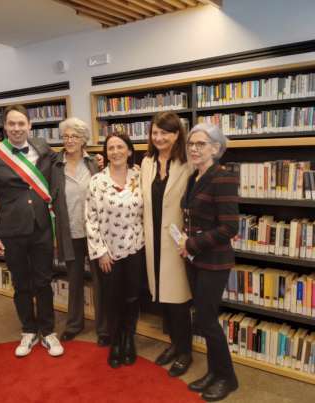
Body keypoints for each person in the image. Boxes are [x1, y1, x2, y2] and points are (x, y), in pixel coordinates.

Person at [0, 104, 64, 358]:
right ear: (4, 127)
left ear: (30, 125)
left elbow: (65, 160)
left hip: (41, 227)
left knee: (43, 281)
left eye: (21, 123)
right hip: (12, 231)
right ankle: (28, 330)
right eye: (11, 124)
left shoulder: (42, 148)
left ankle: (48, 331)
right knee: (21, 284)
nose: (16, 128)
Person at [179, 123, 239, 401]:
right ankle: (214, 372)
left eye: (200, 144)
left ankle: (227, 377)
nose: (193, 148)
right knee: (204, 319)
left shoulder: (222, 177)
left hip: (214, 262)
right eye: (191, 143)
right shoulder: (195, 176)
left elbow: (229, 228)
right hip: (195, 260)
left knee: (207, 320)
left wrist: (191, 243)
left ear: (215, 148)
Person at [140, 111, 193, 377]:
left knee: (179, 299)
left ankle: (185, 351)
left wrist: (190, 238)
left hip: (177, 242)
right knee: (161, 294)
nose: (159, 137)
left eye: (165, 133)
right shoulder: (147, 162)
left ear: (177, 135)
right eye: (155, 132)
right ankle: (174, 344)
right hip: (153, 239)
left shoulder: (188, 163)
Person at [85, 133, 144, 368]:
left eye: (121, 147)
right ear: (106, 153)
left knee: (132, 297)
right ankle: (116, 341)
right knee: (112, 299)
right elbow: (90, 218)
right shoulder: (97, 181)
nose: (116, 151)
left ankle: (129, 338)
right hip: (108, 253)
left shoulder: (140, 177)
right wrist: (100, 252)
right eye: (111, 148)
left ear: (130, 151)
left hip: (136, 249)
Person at [51, 117, 109, 346]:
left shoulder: (95, 163)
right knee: (74, 281)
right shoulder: (55, 165)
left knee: (100, 282)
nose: (69, 140)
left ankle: (103, 328)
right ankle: (74, 324)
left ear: (83, 139)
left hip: (94, 233)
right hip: (70, 231)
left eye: (74, 136)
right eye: (65, 136)